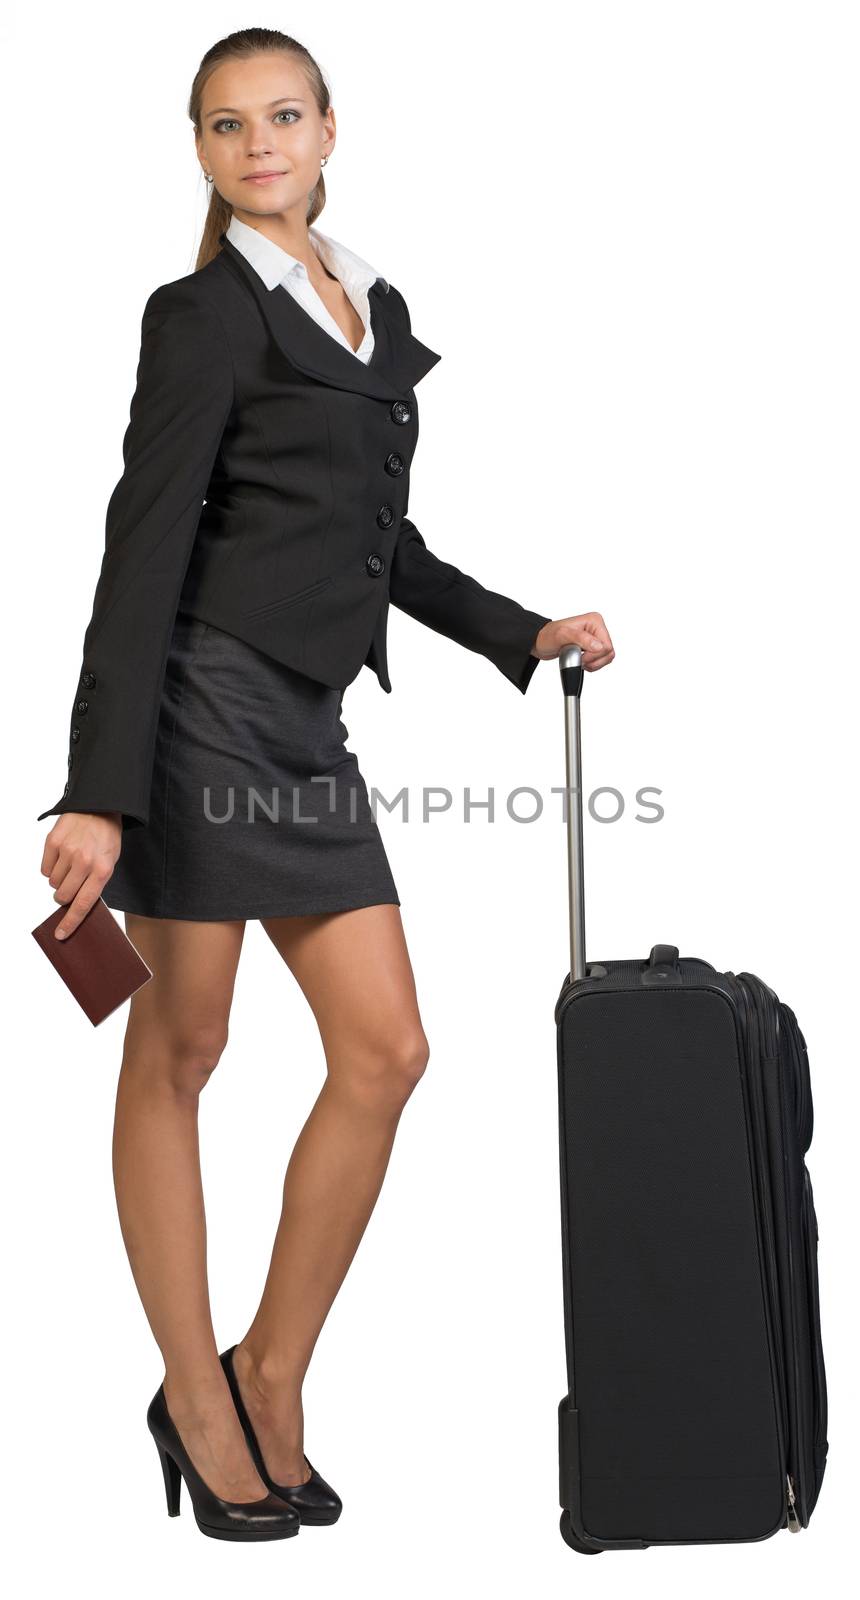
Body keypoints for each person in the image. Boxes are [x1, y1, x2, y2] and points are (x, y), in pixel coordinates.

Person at [37, 27, 616, 1543]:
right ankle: (193, 1388)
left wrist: (523, 630)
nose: (260, 146)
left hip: (305, 726)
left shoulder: (373, 305)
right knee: (184, 1042)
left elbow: (385, 546)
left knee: (388, 1049)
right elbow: (141, 550)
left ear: (330, 127)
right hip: (198, 710)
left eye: (283, 116)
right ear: (205, 154)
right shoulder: (202, 317)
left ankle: (269, 1371)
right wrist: (97, 788)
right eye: (228, 127)